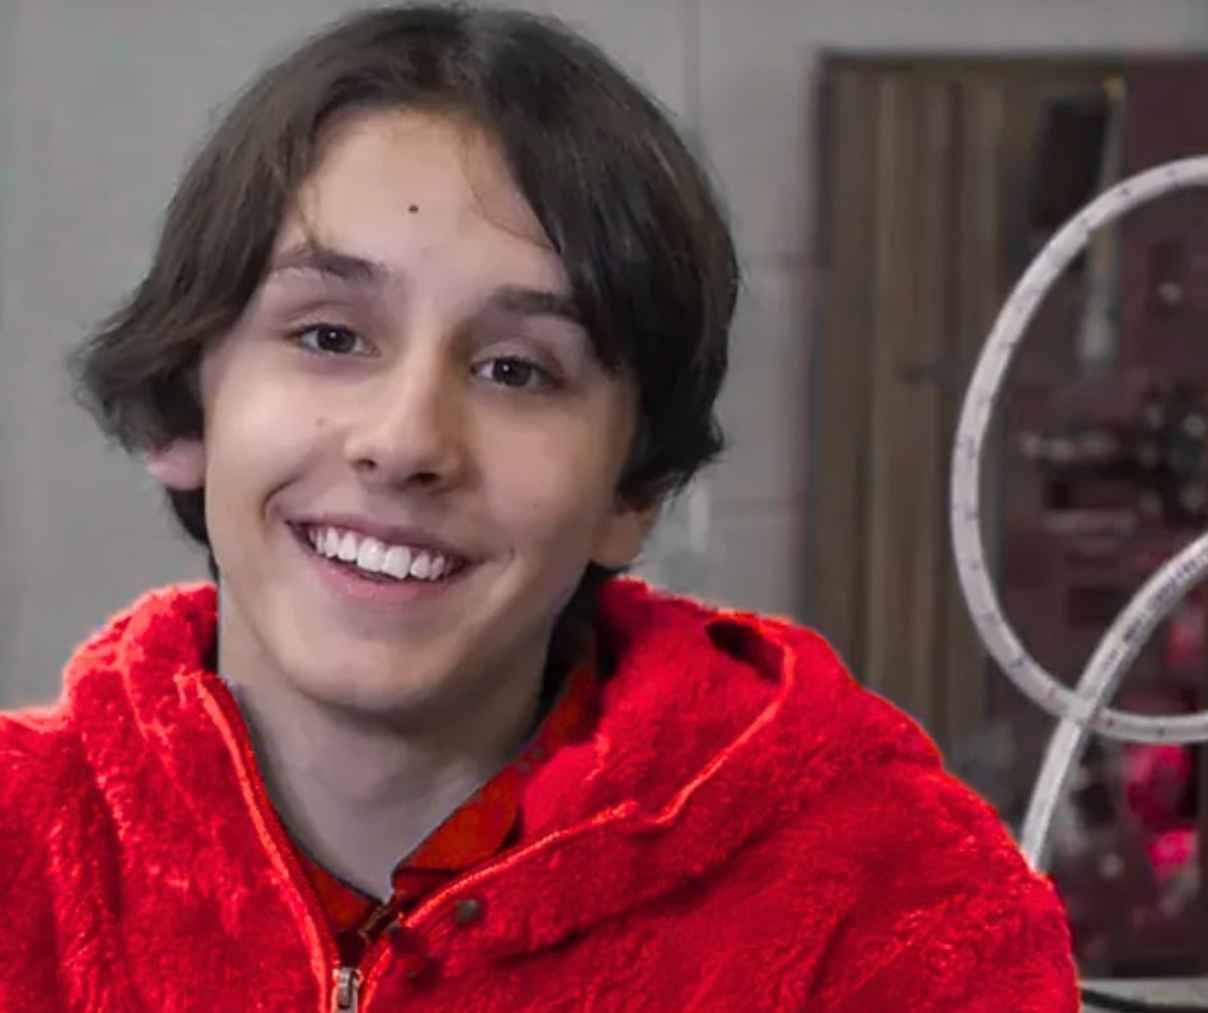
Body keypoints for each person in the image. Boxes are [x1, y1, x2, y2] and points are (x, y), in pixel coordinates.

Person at [0, 5, 1076, 1009]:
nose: (408, 441)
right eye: (330, 335)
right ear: (183, 410)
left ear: (634, 488)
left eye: (518, 369)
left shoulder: (893, 905)